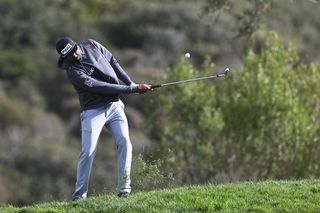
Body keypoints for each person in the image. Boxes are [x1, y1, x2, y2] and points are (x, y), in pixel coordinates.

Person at [55, 37, 152, 200]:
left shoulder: (91, 44)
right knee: (88, 151)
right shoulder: (72, 71)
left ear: (77, 46)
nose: (75, 56)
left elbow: (112, 61)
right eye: (70, 56)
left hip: (114, 106)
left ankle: (124, 190)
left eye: (75, 51)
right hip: (93, 112)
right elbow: (99, 86)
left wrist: (131, 82)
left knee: (125, 142)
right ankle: (79, 195)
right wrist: (132, 89)